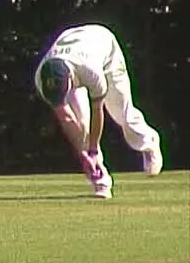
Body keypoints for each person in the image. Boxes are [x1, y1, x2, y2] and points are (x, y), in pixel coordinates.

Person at [34, 24, 163, 199]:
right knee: (82, 124)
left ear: (71, 79)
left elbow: (98, 111)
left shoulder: (91, 71)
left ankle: (149, 141)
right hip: (74, 52)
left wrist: (93, 150)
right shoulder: (42, 79)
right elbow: (65, 117)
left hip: (104, 47)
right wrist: (83, 154)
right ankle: (100, 179)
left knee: (120, 111)